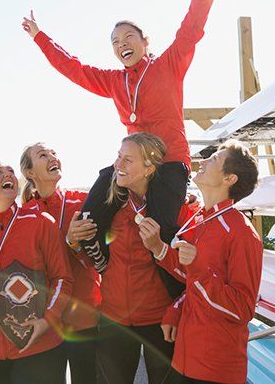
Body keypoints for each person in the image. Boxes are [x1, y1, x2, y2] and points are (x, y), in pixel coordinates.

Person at [21, 0, 225, 284]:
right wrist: (41, 38)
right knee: (96, 201)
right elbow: (75, 69)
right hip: (130, 166)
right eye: (115, 41)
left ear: (145, 41)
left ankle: (176, 299)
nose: (122, 44)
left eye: (129, 36)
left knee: (160, 230)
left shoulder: (168, 65)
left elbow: (193, 25)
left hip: (169, 163)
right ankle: (98, 254)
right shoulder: (115, 81)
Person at [138, 141, 262, 384]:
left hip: (215, 368)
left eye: (214, 159)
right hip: (186, 358)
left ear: (229, 179)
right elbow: (190, 277)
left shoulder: (242, 233)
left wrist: (196, 268)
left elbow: (242, 309)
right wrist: (157, 248)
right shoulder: (202, 219)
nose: (203, 162)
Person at [0, 159, 74, 384]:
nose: (8, 174)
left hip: (41, 349)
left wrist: (46, 322)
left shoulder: (41, 222)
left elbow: (63, 280)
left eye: (11, 171)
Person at [94, 133, 183, 383]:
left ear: (148, 169)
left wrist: (176, 312)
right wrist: (73, 238)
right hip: (113, 320)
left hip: (159, 321)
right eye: (118, 157)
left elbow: (191, 271)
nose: (117, 165)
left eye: (128, 160)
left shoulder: (177, 210)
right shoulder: (108, 205)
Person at [19, 142, 101, 384]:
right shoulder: (24, 214)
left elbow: (102, 254)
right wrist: (68, 242)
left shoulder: (84, 203)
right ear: (30, 173)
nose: (53, 157)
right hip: (46, 320)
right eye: (43, 155)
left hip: (84, 314)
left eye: (53, 153)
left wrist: (186, 200)